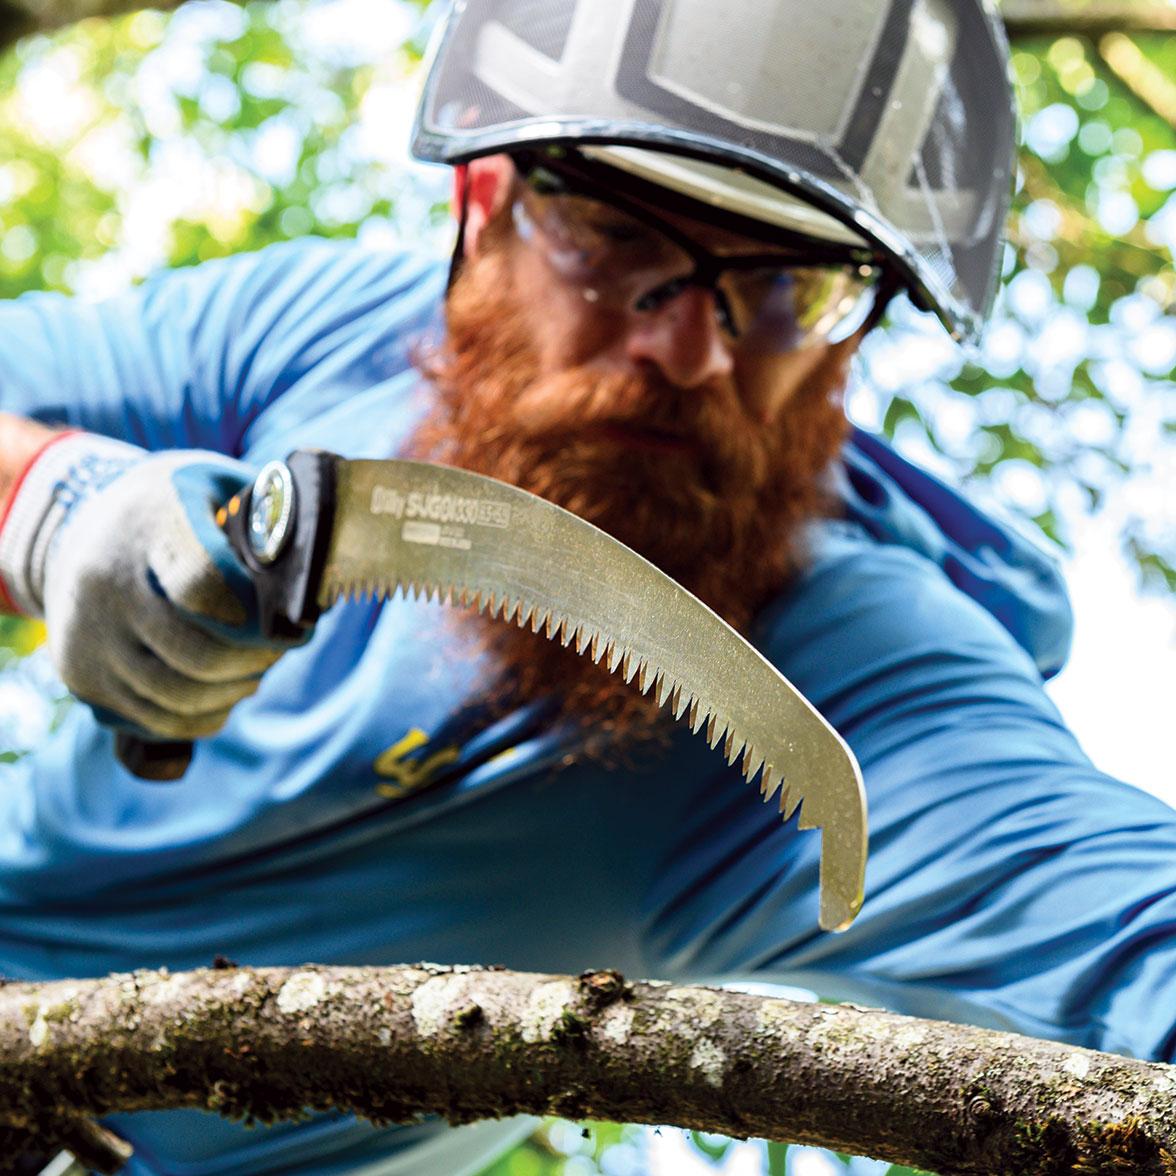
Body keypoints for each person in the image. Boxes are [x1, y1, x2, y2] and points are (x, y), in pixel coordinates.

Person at [1, 0, 1173, 1172]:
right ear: (481, 203)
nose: (690, 352)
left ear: (855, 332)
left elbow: (1125, 933)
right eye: (615, 235)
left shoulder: (858, 670)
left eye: (788, 287)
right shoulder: (323, 333)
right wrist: (48, 500)